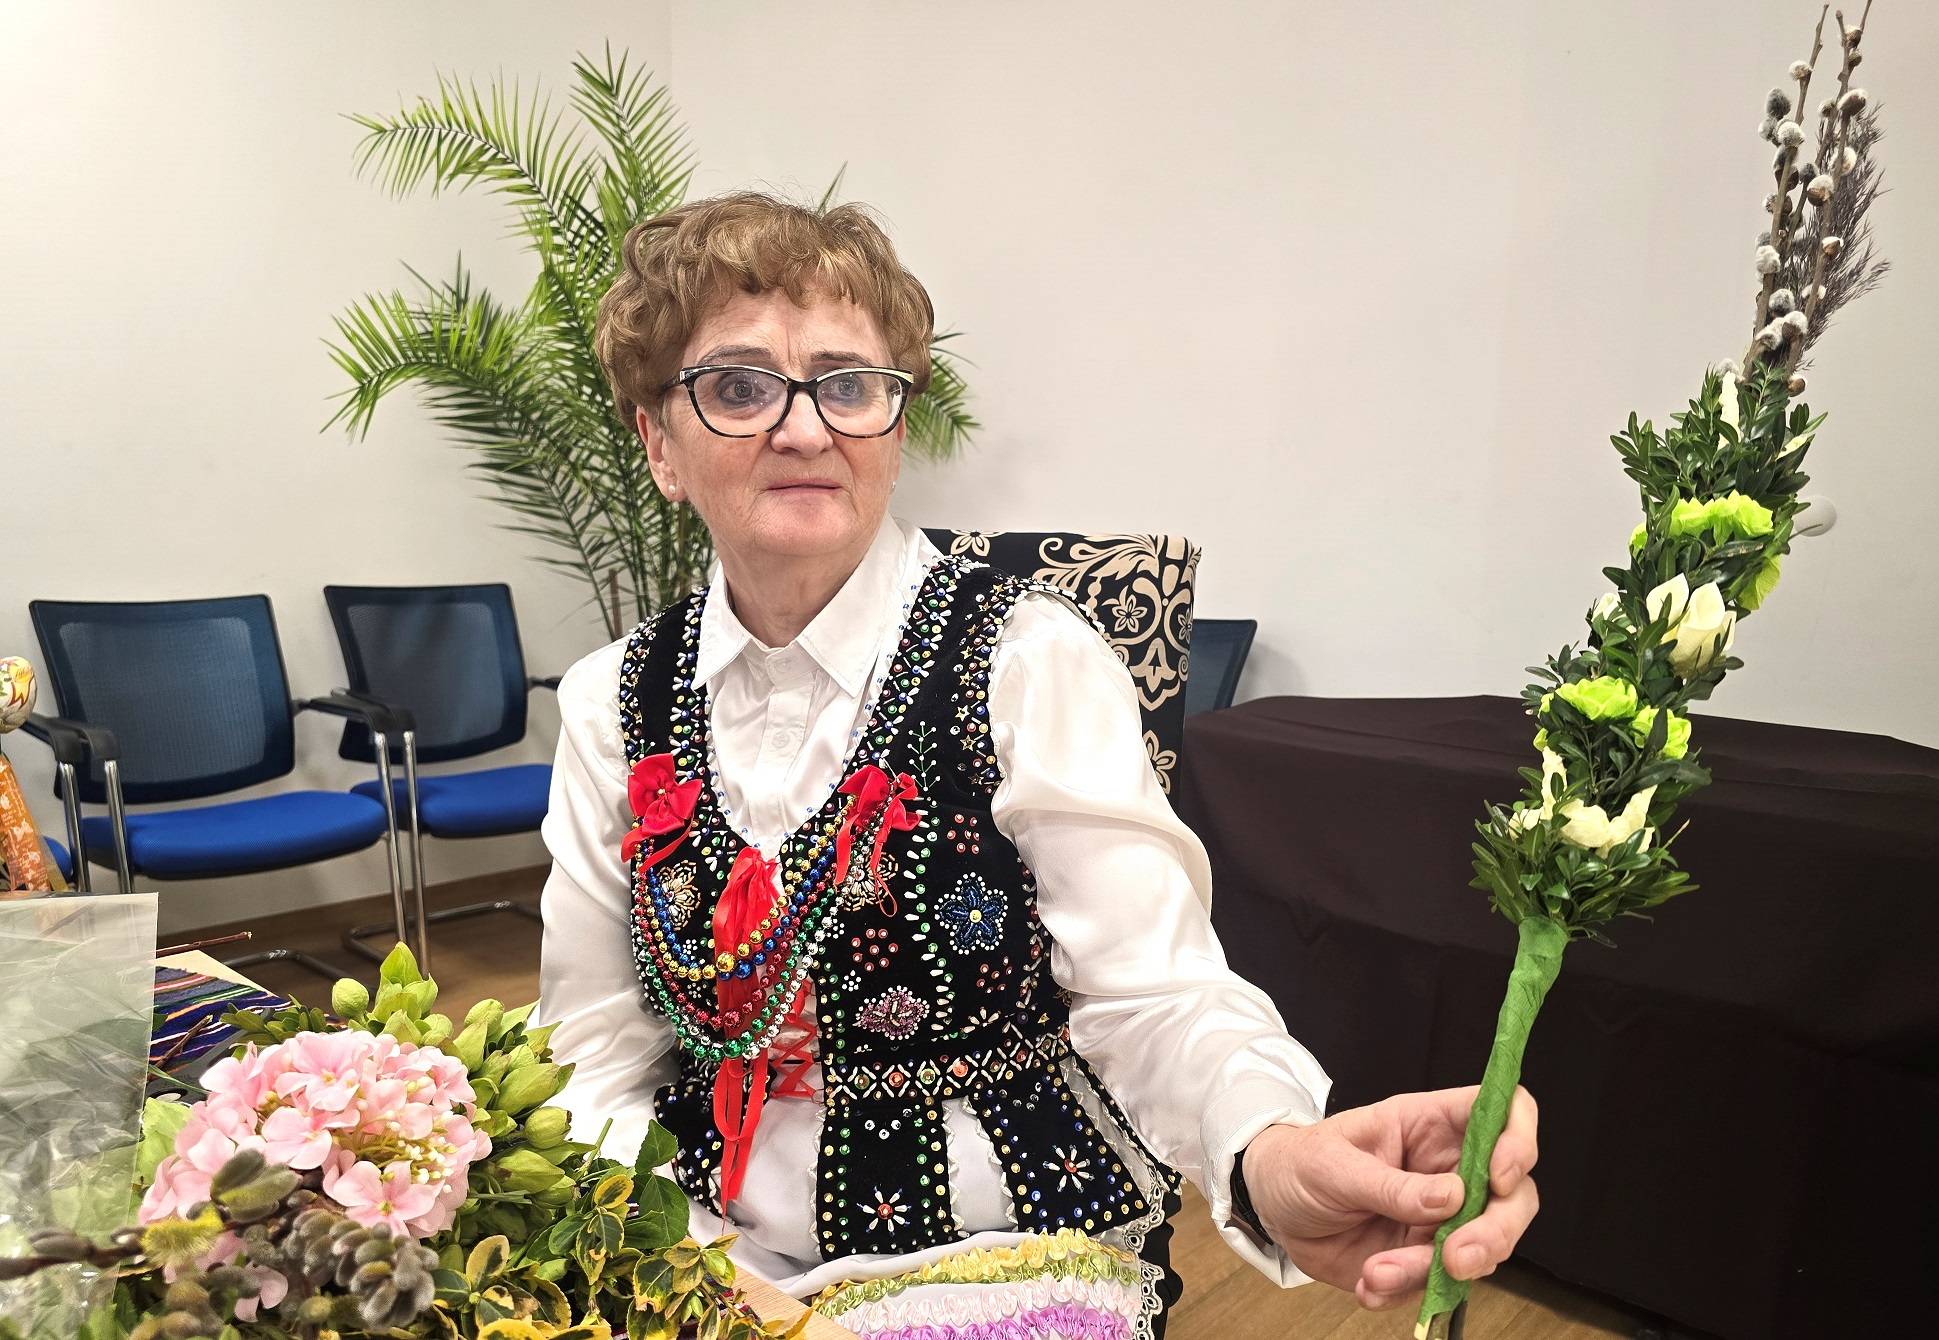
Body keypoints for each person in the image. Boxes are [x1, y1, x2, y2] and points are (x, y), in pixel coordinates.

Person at [537, 191, 1539, 1338]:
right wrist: (690, 1274)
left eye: (847, 384)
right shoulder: (611, 701)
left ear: (892, 428)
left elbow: (1154, 991)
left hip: (997, 1248)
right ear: (658, 442)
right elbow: (596, 1054)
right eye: (738, 386)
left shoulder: (1025, 656)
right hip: (702, 1248)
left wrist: (1270, 1149)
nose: (804, 429)